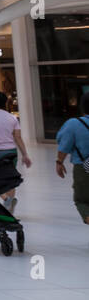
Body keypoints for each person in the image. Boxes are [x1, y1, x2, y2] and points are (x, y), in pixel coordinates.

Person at [0, 91, 31, 210]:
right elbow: (17, 137)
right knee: (9, 179)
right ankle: (9, 205)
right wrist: (25, 154)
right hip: (11, 152)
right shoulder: (12, 117)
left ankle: (6, 200)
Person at [54, 92, 89, 225]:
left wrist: (59, 162)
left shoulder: (74, 124)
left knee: (82, 201)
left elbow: (64, 145)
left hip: (84, 169)